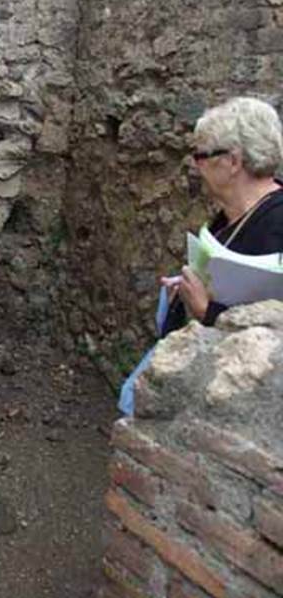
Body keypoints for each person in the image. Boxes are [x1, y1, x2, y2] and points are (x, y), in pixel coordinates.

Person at [119, 95, 283, 415]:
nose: (196, 165)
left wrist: (207, 310)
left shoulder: (277, 223)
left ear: (233, 162)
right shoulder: (234, 213)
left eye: (202, 156)